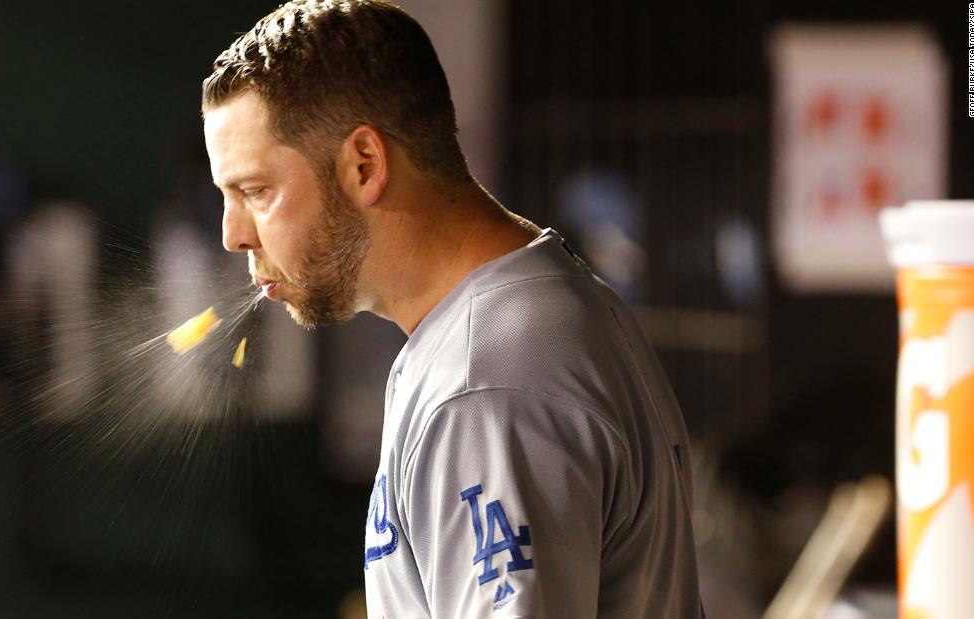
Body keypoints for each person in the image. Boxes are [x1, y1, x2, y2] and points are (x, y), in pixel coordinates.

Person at [201, 1, 702, 616]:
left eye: (255, 191)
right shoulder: (530, 315)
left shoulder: (487, 384)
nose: (233, 233)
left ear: (364, 165)